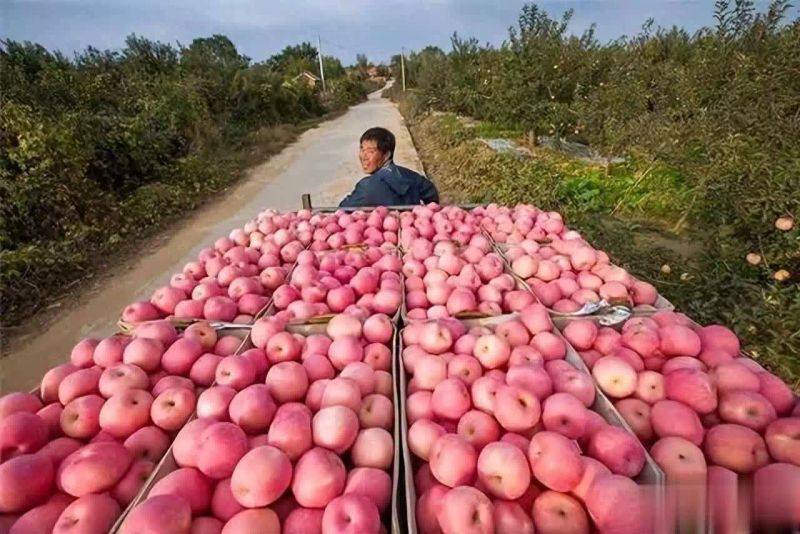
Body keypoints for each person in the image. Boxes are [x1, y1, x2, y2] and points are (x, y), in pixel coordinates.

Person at [339, 127, 439, 207]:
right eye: (362, 149)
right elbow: (432, 194)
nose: (363, 156)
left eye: (370, 151)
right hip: (410, 229)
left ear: (386, 155)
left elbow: (342, 210)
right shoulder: (413, 177)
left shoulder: (366, 187)